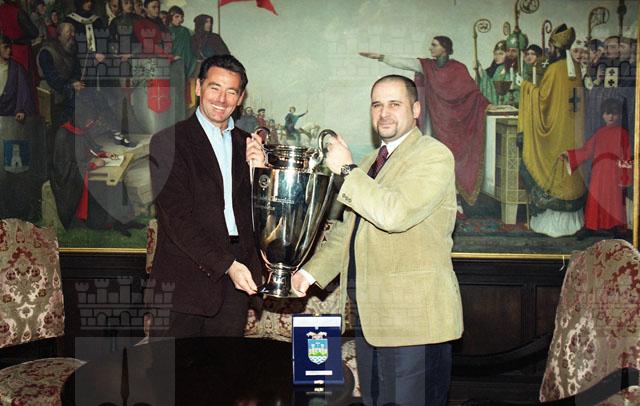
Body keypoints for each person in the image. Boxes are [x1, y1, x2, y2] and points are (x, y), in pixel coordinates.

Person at [292, 74, 463, 406]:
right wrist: (310, 273)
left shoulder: (433, 155)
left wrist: (346, 171)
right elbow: (349, 229)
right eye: (377, 105)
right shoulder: (371, 162)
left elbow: (394, 214)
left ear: (416, 110)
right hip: (372, 319)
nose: (384, 113)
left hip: (416, 323)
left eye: (394, 104)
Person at [148, 54, 265, 338]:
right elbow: (177, 219)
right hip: (184, 282)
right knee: (175, 367)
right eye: (215, 87)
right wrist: (227, 266)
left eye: (231, 92)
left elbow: (260, 217)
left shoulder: (249, 145)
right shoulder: (168, 142)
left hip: (235, 285)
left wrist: (260, 173)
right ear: (198, 87)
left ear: (240, 98)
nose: (222, 99)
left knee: (224, 367)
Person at [359, 35, 490, 206]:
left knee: (455, 162)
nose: (430, 48)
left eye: (434, 45)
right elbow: (407, 63)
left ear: (444, 48)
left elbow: (471, 93)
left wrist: (484, 104)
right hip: (436, 122)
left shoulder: (458, 69)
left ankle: (455, 202)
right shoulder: (428, 66)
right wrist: (382, 57)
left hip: (456, 126)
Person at [518, 24, 586, 237]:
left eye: (551, 47)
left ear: (556, 47)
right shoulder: (575, 67)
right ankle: (573, 223)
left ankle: (551, 225)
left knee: (552, 163)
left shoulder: (554, 70)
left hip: (556, 131)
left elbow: (542, 99)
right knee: (570, 170)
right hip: (573, 129)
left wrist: (526, 87)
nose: (549, 50)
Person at [559, 98, 632, 240]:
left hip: (614, 172)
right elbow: (586, 151)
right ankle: (591, 226)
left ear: (619, 115)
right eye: (607, 113)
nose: (611, 117)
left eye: (614, 113)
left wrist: (625, 176)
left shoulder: (623, 133)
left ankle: (615, 227)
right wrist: (568, 155)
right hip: (598, 172)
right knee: (594, 198)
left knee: (613, 199)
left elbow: (627, 155)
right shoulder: (600, 133)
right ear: (602, 115)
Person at [0, 35, 35, 121]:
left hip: (10, 115)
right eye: (5, 47)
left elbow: (23, 91)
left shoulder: (16, 68)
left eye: (10, 47)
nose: (9, 50)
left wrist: (21, 110)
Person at [167, 6, 196, 78]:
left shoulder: (184, 31)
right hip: (170, 63)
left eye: (181, 17)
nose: (180, 19)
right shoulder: (164, 30)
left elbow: (189, 50)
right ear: (170, 17)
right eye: (177, 17)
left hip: (184, 63)